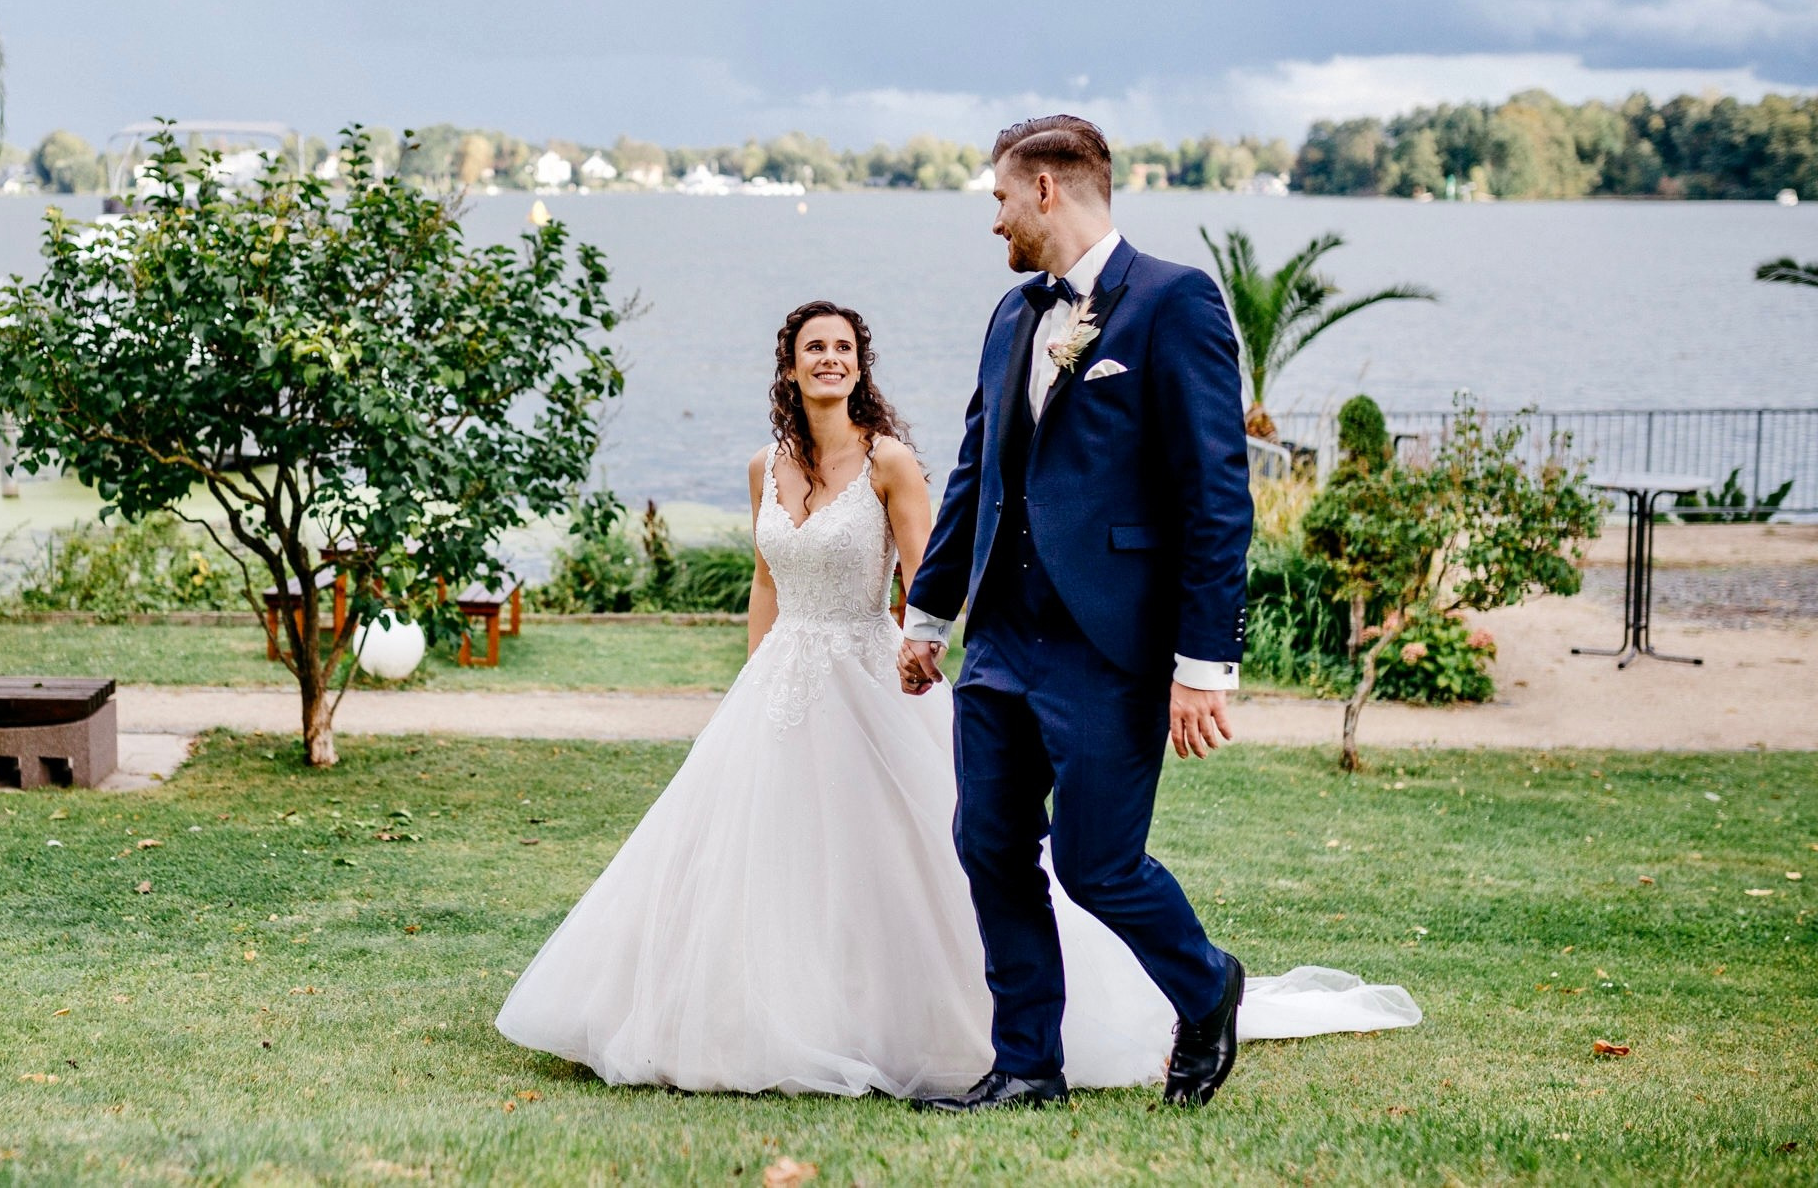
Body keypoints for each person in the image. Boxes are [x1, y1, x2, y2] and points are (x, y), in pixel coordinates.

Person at [493, 297, 1418, 1097]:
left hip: (874, 672)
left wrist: (919, 645)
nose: (828, 359)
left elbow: (931, 569)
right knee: (764, 854)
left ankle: (1014, 1027)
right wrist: (755, 670)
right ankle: (769, 1009)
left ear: (859, 369)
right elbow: (765, 581)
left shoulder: (890, 460)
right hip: (778, 682)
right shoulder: (761, 466)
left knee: (925, 851)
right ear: (787, 364)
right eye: (812, 347)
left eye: (843, 349)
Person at [898, 113, 1263, 1111]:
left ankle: (1205, 983)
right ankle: (1024, 1065)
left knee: (1099, 865)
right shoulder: (1011, 316)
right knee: (988, 844)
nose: (994, 222)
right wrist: (929, 617)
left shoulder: (1171, 302)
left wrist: (1203, 662)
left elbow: (1215, 492)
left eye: (999, 200)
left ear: (1047, 190)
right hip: (1001, 642)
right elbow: (977, 471)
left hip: (1110, 644)